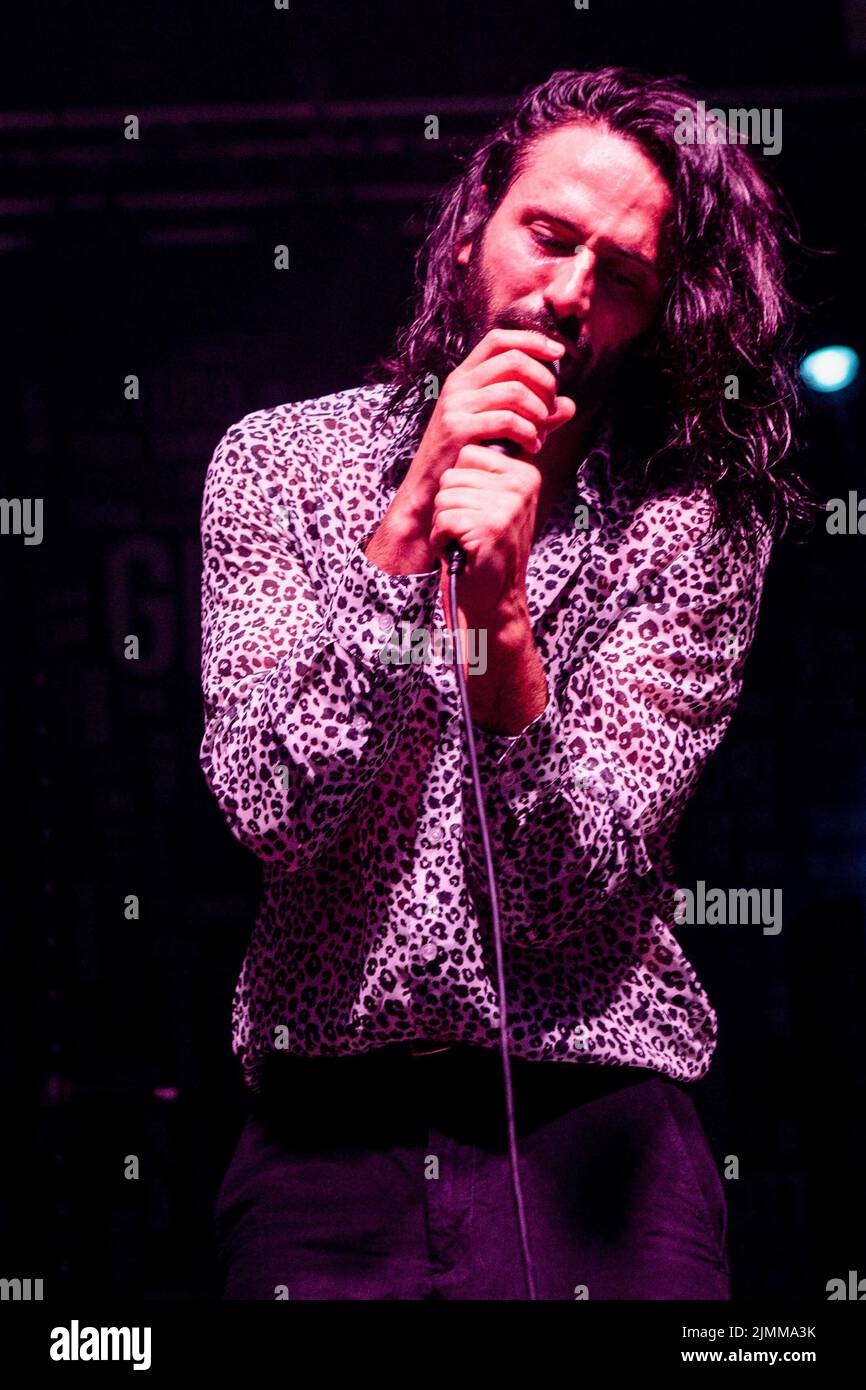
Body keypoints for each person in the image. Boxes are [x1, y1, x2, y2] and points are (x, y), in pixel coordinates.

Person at [198, 66, 811, 1300]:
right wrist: (409, 527)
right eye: (547, 236)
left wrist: (499, 628)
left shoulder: (686, 524)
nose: (570, 293)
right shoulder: (279, 465)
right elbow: (273, 808)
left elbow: (574, 887)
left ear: (658, 312)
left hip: (594, 1126)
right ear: (479, 214)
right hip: (327, 1131)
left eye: (624, 276)